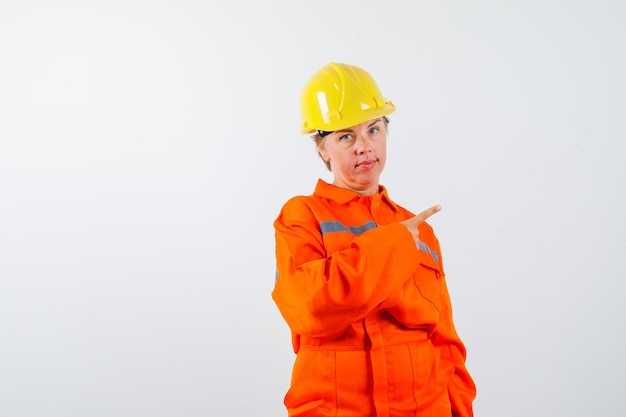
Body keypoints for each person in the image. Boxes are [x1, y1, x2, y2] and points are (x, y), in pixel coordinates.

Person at [271, 62, 476, 417]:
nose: (364, 147)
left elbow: (446, 343)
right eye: (346, 136)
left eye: (374, 129)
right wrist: (394, 244)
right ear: (322, 148)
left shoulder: (419, 230)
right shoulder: (302, 216)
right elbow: (309, 310)